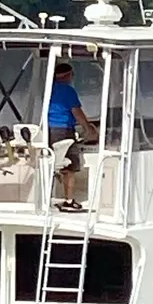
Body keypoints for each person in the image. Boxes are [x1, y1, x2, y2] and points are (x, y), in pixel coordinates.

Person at [47, 62, 97, 211]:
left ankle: (47, 197)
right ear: (68, 75)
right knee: (70, 165)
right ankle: (69, 200)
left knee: (52, 163)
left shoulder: (49, 89)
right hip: (64, 130)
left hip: (49, 130)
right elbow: (77, 112)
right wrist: (89, 129)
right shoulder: (68, 91)